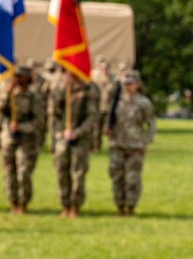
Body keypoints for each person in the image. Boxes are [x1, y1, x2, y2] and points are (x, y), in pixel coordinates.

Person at [49, 69, 101, 217]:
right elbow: (53, 113)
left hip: (80, 138)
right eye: (66, 71)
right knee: (61, 172)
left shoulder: (88, 90)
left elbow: (93, 116)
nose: (69, 74)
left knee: (78, 173)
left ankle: (75, 205)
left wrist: (77, 132)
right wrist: (62, 131)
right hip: (62, 137)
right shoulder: (60, 89)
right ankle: (64, 204)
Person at [104, 69, 155, 216]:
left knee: (132, 178)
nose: (128, 86)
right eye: (125, 83)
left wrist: (145, 141)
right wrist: (106, 128)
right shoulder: (114, 101)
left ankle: (131, 207)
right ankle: (119, 207)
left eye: (131, 83)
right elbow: (107, 119)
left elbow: (151, 123)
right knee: (116, 177)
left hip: (135, 146)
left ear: (138, 84)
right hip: (116, 144)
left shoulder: (143, 102)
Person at [0, 64, 44, 214]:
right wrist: (6, 94)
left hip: (27, 140)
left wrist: (21, 127)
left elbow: (39, 122)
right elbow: (0, 109)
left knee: (23, 173)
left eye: (21, 77)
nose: (17, 80)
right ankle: (13, 201)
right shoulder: (9, 95)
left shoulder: (34, 97)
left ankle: (23, 202)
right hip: (8, 139)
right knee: (9, 172)